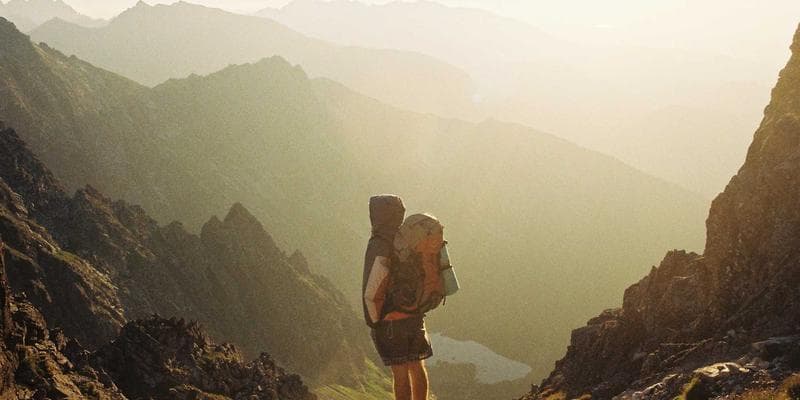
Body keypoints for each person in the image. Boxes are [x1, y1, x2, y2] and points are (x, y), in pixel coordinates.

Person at [363, 197, 442, 400]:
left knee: (399, 373)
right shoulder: (410, 239)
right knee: (417, 366)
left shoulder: (379, 244)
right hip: (415, 316)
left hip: (391, 321)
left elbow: (372, 287)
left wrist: (373, 320)